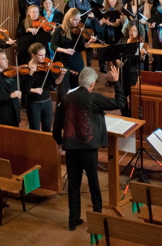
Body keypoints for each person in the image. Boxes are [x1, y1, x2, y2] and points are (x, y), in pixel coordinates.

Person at [52, 66, 125, 231]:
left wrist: (59, 141)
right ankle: (97, 218)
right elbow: (120, 103)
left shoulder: (66, 98)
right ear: (92, 84)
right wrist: (116, 82)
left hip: (71, 148)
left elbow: (57, 125)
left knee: (73, 185)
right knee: (94, 183)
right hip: (89, 148)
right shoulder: (94, 98)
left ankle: (73, 220)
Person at [50, 8, 97, 93]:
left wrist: (89, 42)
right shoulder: (59, 30)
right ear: (68, 18)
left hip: (77, 62)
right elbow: (53, 46)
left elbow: (80, 47)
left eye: (78, 19)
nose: (77, 22)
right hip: (63, 62)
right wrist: (65, 50)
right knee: (63, 90)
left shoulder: (79, 31)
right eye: (75, 20)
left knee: (76, 89)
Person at [22, 43, 66, 132]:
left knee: (47, 128)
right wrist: (31, 77)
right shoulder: (26, 69)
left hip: (47, 102)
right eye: (40, 55)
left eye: (44, 54)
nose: (43, 57)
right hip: (33, 103)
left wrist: (61, 75)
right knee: (34, 129)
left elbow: (55, 83)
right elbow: (24, 89)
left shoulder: (46, 66)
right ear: (33, 55)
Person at [116, 22, 148, 117]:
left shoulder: (141, 42)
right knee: (122, 94)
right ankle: (124, 114)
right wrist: (118, 61)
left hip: (134, 71)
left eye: (134, 31)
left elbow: (142, 59)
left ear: (139, 31)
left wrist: (142, 54)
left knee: (133, 94)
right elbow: (116, 51)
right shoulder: (123, 39)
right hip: (123, 71)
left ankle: (134, 114)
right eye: (130, 30)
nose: (132, 33)